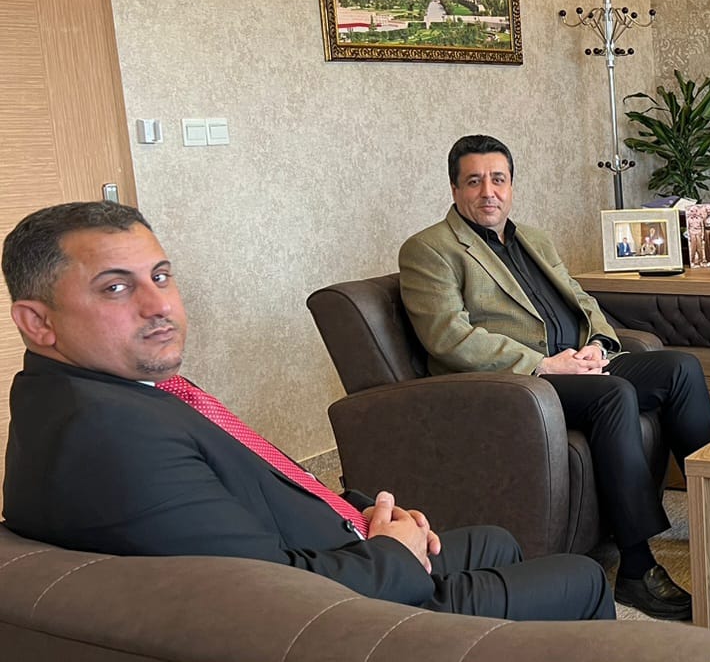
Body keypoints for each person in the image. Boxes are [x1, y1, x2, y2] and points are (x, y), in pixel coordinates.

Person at [1, 201, 613, 622]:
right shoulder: (108, 434)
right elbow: (275, 600)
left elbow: (259, 493)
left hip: (345, 549)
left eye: (160, 276)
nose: (157, 304)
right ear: (37, 321)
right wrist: (392, 552)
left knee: (496, 541)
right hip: (359, 612)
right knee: (580, 579)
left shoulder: (108, 393)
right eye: (115, 287)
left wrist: (365, 514)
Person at [399, 134, 710, 621]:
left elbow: (582, 301)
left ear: (512, 185)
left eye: (498, 179)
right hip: (518, 384)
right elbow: (449, 338)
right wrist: (545, 364)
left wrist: (598, 346)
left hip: (576, 364)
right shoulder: (430, 249)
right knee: (613, 395)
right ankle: (636, 568)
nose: (489, 192)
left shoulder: (533, 238)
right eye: (475, 181)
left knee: (680, 368)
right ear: (454, 188)